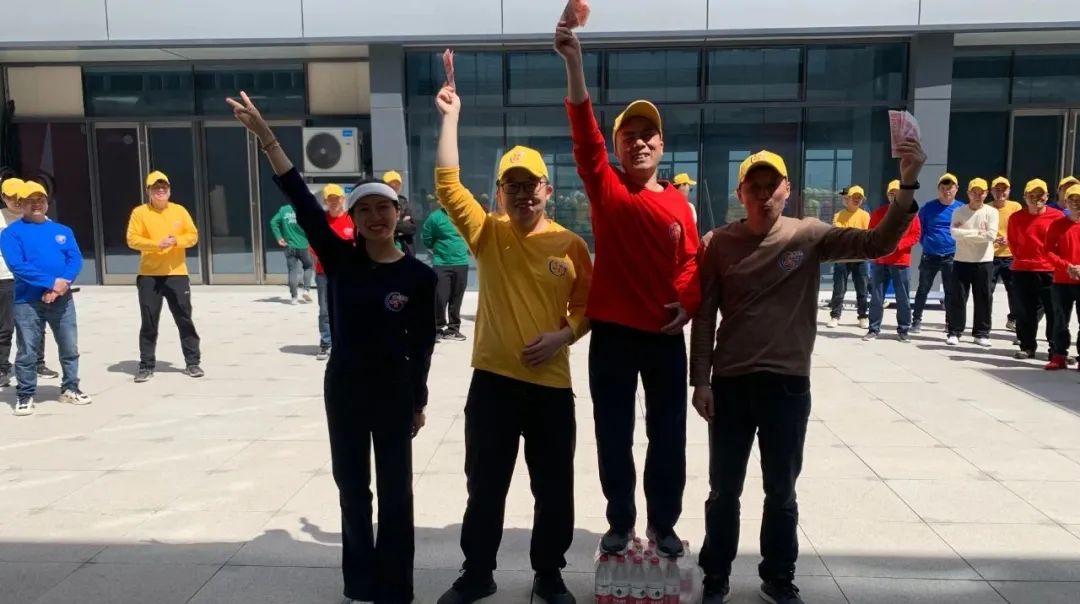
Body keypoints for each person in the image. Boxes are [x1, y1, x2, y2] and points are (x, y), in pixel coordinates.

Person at [690, 141, 925, 604]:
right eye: (754, 187)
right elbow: (704, 315)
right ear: (740, 194)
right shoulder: (718, 243)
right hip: (732, 385)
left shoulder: (810, 235)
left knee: (781, 492)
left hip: (788, 385)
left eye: (771, 186)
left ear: (788, 190)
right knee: (723, 491)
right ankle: (715, 575)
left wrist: (908, 183)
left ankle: (778, 576)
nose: (763, 195)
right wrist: (700, 380)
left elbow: (877, 243)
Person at [229, 91, 436, 604]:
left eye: (383, 208)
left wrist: (418, 400)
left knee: (396, 493)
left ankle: (395, 586)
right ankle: (360, 582)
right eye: (364, 209)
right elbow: (301, 198)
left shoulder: (419, 277)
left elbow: (422, 347)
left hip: (394, 391)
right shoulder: (340, 259)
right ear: (355, 218)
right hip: (345, 389)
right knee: (353, 488)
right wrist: (267, 137)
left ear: (398, 213)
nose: (374, 216)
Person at [433, 86, 592, 604]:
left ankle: (548, 574)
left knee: (554, 489)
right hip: (493, 386)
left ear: (548, 189)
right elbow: (447, 184)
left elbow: (588, 308)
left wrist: (563, 335)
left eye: (531, 185)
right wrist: (452, 117)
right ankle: (478, 573)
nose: (523, 194)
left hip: (551, 389)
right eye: (512, 186)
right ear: (500, 192)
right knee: (485, 487)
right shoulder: (488, 234)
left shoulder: (571, 245)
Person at [557, 21, 700, 557]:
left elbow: (691, 262)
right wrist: (574, 61)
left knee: (668, 435)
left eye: (647, 135)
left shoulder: (679, 204)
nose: (639, 142)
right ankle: (620, 519)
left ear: (661, 144)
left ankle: (663, 523)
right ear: (617, 147)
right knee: (613, 433)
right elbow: (583, 131)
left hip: (664, 337)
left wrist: (688, 304)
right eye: (628, 136)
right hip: (613, 334)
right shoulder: (608, 187)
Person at [0, 180, 91, 416]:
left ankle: (70, 388)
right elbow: (17, 265)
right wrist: (50, 282)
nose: (36, 204)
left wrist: (61, 286)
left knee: (69, 347)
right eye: (30, 201)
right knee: (27, 351)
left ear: (46, 203)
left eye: (40, 199)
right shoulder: (11, 233)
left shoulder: (62, 231)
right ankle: (25, 394)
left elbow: (75, 259)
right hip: (27, 302)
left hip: (62, 299)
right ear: (21, 204)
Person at [126, 170, 203, 383]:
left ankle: (193, 362)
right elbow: (132, 239)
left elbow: (193, 235)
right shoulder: (140, 213)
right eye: (156, 188)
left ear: (169, 190)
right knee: (149, 321)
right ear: (148, 191)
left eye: (164, 187)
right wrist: (155, 245)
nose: (160, 191)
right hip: (149, 275)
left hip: (176, 274)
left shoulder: (179, 210)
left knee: (184, 319)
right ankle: (146, 366)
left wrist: (177, 241)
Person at [0, 179, 60, 385]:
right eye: (11, 197)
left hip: (34, 278)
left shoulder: (38, 217)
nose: (16, 201)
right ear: (3, 197)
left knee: (36, 323)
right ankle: (2, 367)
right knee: (5, 326)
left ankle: (37, 363)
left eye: (20, 197)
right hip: (6, 277)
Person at [1009, 179, 1064, 361]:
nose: (1036, 199)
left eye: (1040, 195)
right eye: (1031, 195)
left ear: (1047, 196)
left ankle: (1055, 349)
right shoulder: (1016, 218)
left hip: (1050, 271)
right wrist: (1024, 259)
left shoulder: (1057, 217)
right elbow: (1013, 243)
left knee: (1054, 312)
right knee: (1025, 312)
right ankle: (1027, 346)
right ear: (1025, 196)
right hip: (1023, 270)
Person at [864, 180, 921, 342]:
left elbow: (916, 235)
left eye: (897, 194)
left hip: (901, 261)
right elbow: (871, 233)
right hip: (880, 261)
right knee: (876, 297)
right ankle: (873, 329)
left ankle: (904, 330)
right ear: (887, 195)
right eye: (891, 194)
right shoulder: (878, 213)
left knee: (902, 298)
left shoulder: (911, 214)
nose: (894, 197)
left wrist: (898, 245)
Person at [947, 178, 999, 347]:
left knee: (984, 298)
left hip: (984, 261)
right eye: (974, 192)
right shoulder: (959, 211)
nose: (977, 195)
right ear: (968, 193)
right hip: (962, 260)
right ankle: (954, 331)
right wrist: (978, 233)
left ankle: (981, 333)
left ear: (986, 193)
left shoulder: (992, 212)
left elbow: (990, 236)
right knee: (958, 298)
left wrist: (966, 233)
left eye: (981, 192)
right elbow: (954, 233)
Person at [911, 173, 963, 334]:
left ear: (956, 189)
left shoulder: (962, 209)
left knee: (950, 291)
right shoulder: (928, 208)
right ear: (938, 189)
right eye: (943, 188)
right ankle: (916, 320)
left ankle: (949, 322)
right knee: (923, 289)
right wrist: (927, 243)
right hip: (930, 255)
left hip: (952, 256)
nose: (947, 191)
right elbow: (919, 229)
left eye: (950, 187)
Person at [311, 184, 354, 361]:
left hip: (347, 273)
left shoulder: (352, 220)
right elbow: (313, 246)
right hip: (324, 273)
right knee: (325, 310)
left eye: (337, 198)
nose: (334, 202)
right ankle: (326, 343)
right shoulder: (320, 222)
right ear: (325, 201)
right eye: (331, 199)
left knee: (348, 308)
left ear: (343, 199)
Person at [421, 200, 470, 342]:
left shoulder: (464, 216)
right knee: (440, 298)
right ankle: (436, 329)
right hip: (441, 264)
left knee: (457, 298)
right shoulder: (435, 217)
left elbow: (472, 233)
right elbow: (427, 238)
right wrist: (437, 250)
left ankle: (453, 329)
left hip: (461, 263)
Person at [1045, 184, 1080, 370]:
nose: (1076, 203)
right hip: (1061, 280)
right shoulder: (1057, 225)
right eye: (1072, 200)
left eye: (1079, 200)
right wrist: (1067, 266)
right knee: (1060, 320)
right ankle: (1059, 355)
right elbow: (1049, 251)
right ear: (1066, 202)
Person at [826, 185, 871, 329]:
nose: (857, 200)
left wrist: (849, 234)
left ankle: (863, 316)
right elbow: (838, 235)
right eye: (854, 197)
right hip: (842, 258)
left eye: (860, 197)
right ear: (848, 198)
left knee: (862, 290)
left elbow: (865, 236)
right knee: (839, 289)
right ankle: (835, 316)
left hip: (860, 258)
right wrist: (855, 234)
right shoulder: (838, 215)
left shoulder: (865, 216)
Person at [990, 176, 1023, 333]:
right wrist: (993, 238)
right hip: (990, 256)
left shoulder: (1015, 207)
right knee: (987, 290)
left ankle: (1013, 319)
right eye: (997, 189)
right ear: (991, 191)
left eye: (1004, 189)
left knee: (1014, 290)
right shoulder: (987, 208)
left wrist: (1009, 238)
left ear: (1009, 191)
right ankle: (985, 320)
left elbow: (1021, 228)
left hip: (1010, 255)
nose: (1000, 192)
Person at [269, 200, 314, 305]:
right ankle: (306, 290)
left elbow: (273, 222)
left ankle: (294, 298)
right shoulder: (306, 209)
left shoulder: (284, 210)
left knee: (292, 271)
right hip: (304, 245)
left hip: (289, 246)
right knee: (308, 266)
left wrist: (279, 237)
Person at [384, 170, 417, 256]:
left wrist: (393, 226)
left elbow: (412, 228)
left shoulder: (405, 203)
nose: (394, 187)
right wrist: (401, 223)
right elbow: (381, 227)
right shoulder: (379, 204)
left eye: (397, 185)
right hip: (386, 251)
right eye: (391, 185)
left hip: (405, 251)